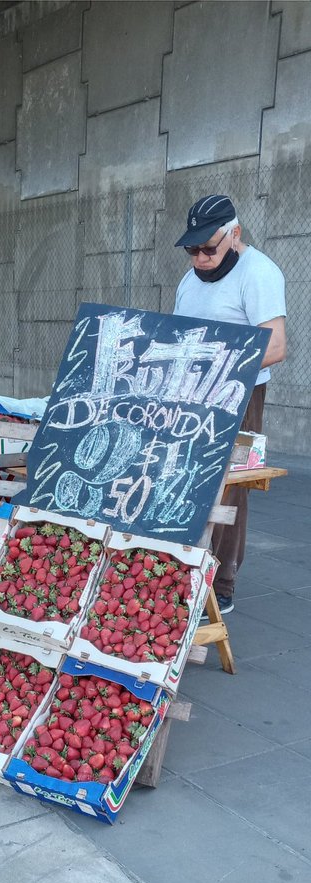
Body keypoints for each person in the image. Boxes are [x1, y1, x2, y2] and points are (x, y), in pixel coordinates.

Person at [173, 194, 286, 613]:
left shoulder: (258, 273)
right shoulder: (190, 280)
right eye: (192, 249)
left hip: (240, 391)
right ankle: (185, 569)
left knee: (229, 486)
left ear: (234, 234)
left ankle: (221, 583)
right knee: (187, 479)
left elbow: (275, 346)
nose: (200, 258)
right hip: (191, 394)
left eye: (209, 247)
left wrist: (217, 364)